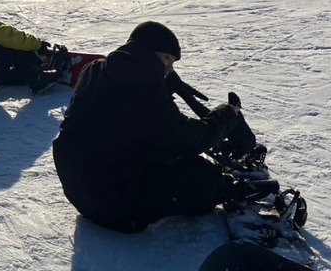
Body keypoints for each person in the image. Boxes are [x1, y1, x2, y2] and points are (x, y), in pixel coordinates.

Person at [52, 22, 275, 234]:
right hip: (114, 209)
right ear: (146, 53)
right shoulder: (145, 93)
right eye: (167, 59)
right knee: (201, 174)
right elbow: (190, 140)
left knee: (154, 150)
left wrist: (164, 83)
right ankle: (229, 190)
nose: (169, 68)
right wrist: (226, 116)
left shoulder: (95, 70)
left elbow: (129, 119)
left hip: (81, 189)